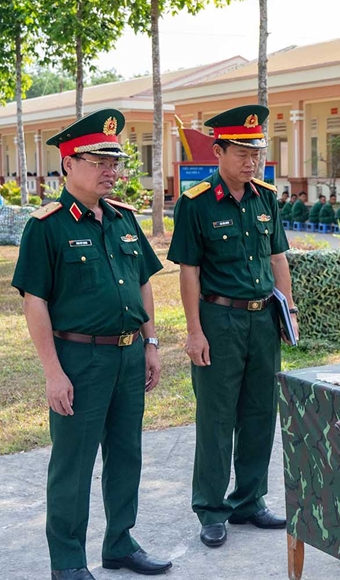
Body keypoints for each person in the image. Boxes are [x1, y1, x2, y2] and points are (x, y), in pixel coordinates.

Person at [12, 109, 171, 579]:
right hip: (79, 359)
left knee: (126, 456)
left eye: (114, 161)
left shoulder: (123, 219)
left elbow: (143, 283)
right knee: (73, 465)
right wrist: (53, 372)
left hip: (127, 355)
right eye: (98, 160)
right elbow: (35, 302)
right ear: (68, 164)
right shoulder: (47, 225)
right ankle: (67, 563)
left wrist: (151, 343)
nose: (111, 170)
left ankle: (120, 544)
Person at [167, 104, 299, 549]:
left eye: (256, 153)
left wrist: (290, 311)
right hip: (218, 319)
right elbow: (189, 271)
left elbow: (278, 257)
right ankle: (210, 507)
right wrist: (194, 331)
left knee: (260, 412)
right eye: (242, 153)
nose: (251, 161)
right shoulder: (196, 203)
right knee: (217, 417)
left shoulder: (266, 197)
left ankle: (249, 500)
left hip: (263, 319)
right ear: (218, 151)